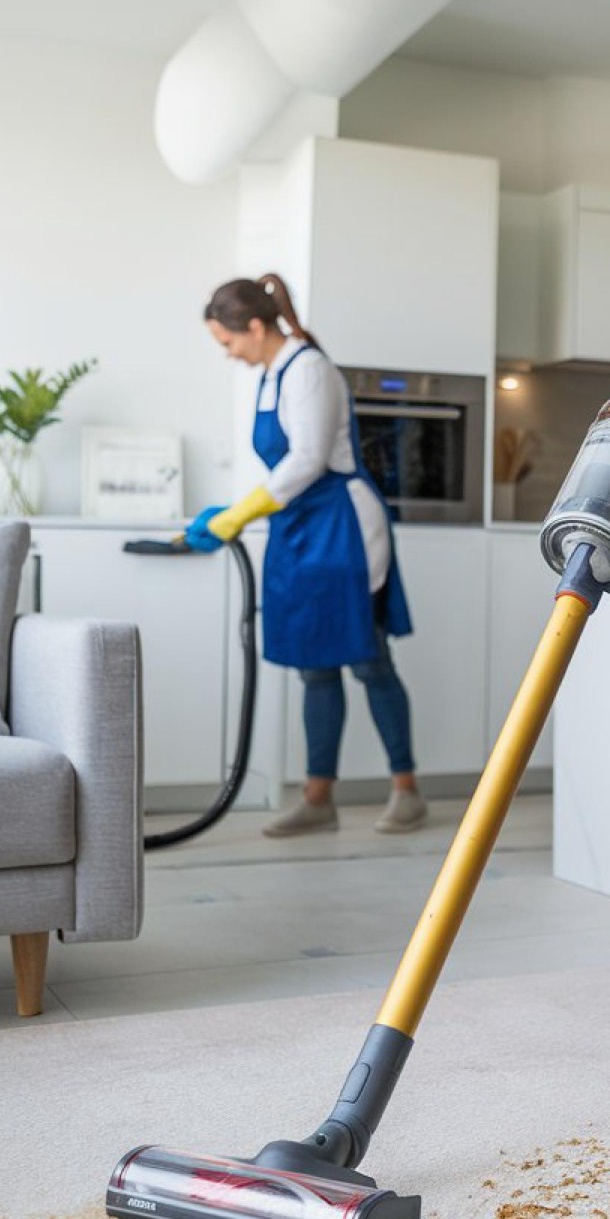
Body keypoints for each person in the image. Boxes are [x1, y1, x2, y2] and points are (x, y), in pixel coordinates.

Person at [188, 274, 428, 837]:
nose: (229, 355)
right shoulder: (272, 375)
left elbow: (309, 458)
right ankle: (319, 800)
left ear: (253, 326)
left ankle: (407, 791)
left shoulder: (309, 369)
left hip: (342, 524)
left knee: (369, 660)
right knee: (314, 666)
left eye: (228, 342)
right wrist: (243, 509)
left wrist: (239, 513)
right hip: (298, 528)